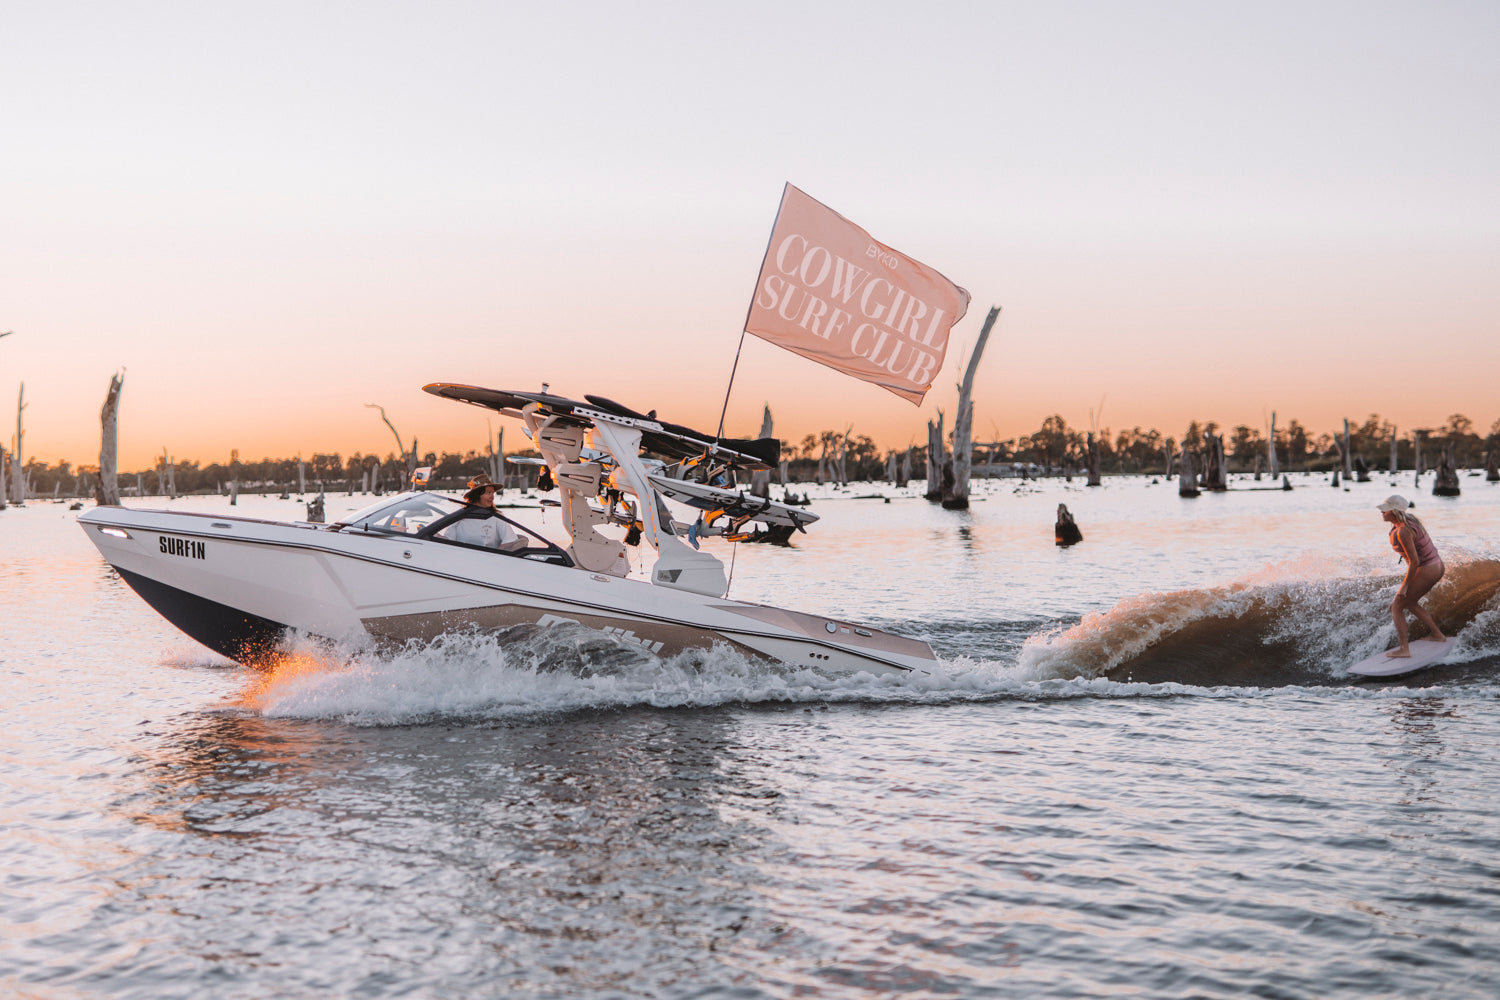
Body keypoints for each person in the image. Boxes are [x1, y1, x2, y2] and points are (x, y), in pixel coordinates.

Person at [1377, 494, 1445, 657]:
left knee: (1396, 606)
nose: (1382, 513)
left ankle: (1404, 650)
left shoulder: (1403, 531)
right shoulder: (1410, 520)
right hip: (1436, 565)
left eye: (1385, 511)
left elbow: (1414, 562)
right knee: (1410, 602)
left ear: (1394, 512)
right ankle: (1438, 635)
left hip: (1428, 569)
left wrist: (1404, 586)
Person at [443, 473, 525, 551]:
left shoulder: (497, 517)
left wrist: (495, 556)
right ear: (477, 495)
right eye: (488, 493)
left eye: (493, 493)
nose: (492, 497)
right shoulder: (459, 517)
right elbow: (447, 540)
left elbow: (509, 540)